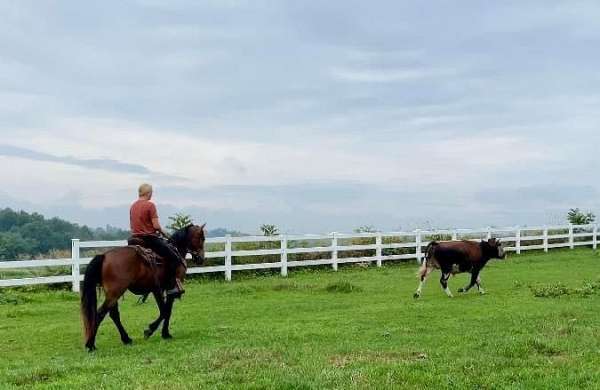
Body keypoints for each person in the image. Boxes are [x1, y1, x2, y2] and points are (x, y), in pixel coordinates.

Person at [130, 183, 183, 296]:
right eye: (151, 193)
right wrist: (166, 234)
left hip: (134, 239)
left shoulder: (133, 206)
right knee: (174, 257)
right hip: (149, 239)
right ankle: (171, 287)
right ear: (148, 193)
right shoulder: (150, 205)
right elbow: (156, 226)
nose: (152, 195)